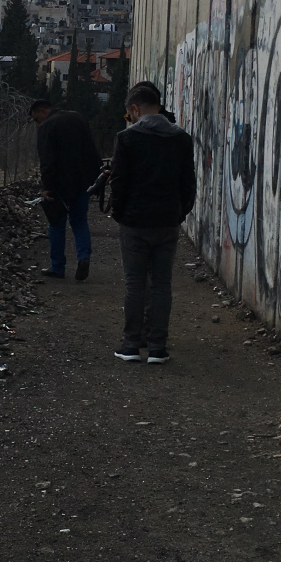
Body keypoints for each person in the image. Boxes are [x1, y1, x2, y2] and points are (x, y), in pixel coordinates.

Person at [109, 81, 196, 363]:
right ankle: (157, 347)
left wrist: (120, 213)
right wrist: (179, 213)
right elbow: (188, 184)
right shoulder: (181, 139)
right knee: (161, 284)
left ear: (135, 109)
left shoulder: (127, 139)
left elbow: (119, 182)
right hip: (167, 221)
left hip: (134, 222)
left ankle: (131, 344)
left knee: (135, 284)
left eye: (129, 114)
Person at [29, 98, 103, 281]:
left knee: (56, 224)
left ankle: (58, 267)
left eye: (36, 119)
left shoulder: (46, 127)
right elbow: (92, 150)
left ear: (43, 111)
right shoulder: (77, 118)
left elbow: (47, 161)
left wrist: (47, 187)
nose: (37, 123)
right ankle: (83, 257)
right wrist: (97, 178)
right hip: (83, 182)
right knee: (79, 221)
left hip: (59, 185)